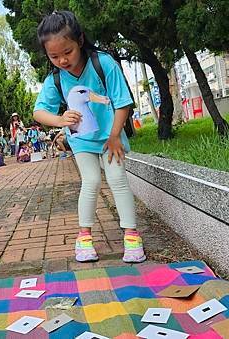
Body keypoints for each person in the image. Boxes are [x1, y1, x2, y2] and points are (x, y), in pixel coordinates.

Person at [32, 11, 146, 263]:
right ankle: (83, 237)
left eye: (67, 52)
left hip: (110, 138)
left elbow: (123, 102)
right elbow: (39, 112)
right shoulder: (55, 79)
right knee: (91, 181)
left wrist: (115, 135)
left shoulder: (103, 63)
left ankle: (131, 235)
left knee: (117, 179)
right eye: (54, 56)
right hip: (82, 140)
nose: (62, 60)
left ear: (80, 41)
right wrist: (61, 120)